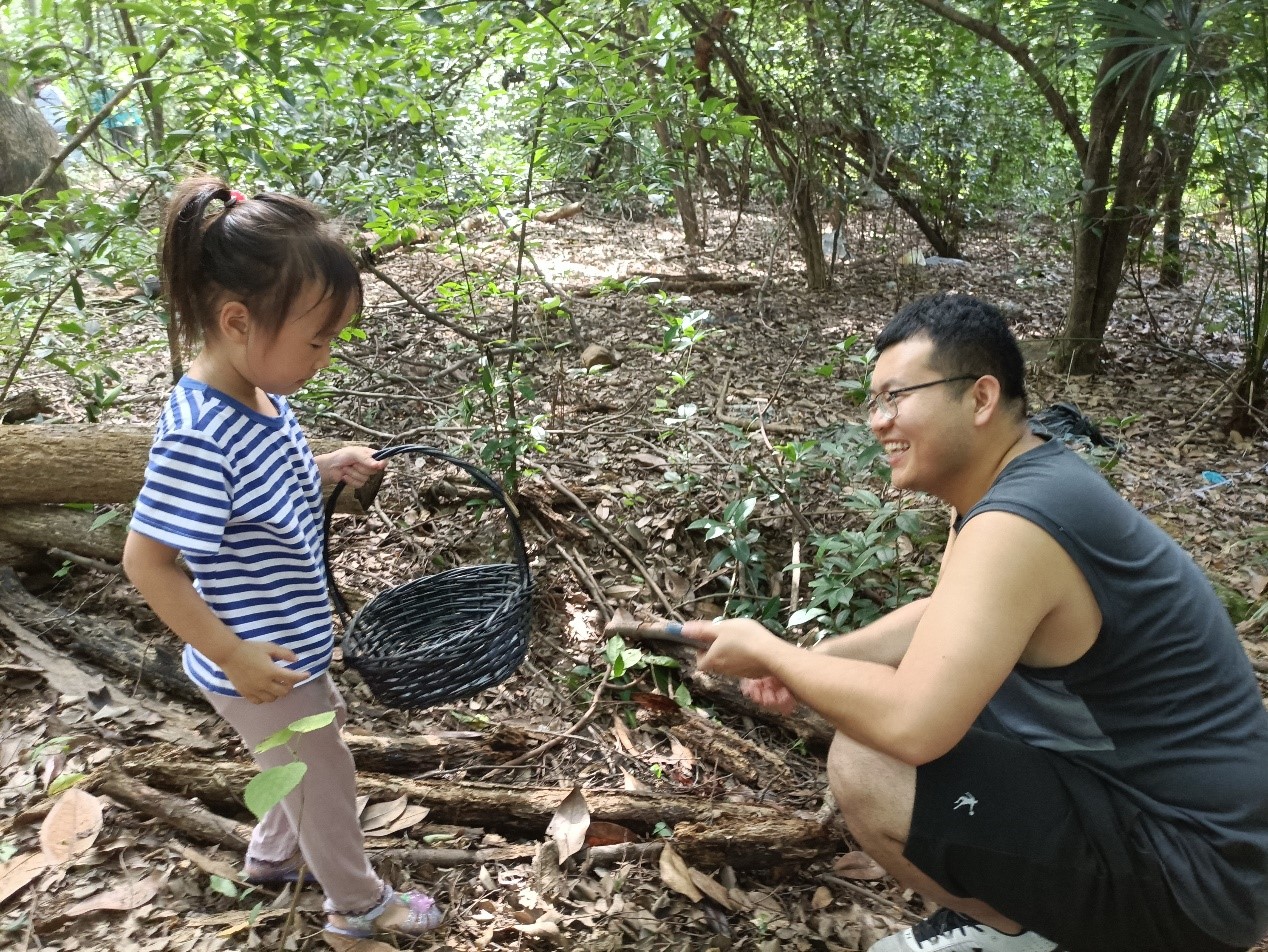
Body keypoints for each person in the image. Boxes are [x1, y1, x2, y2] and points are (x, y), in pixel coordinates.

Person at [684, 293, 1268, 952]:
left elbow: (911, 725)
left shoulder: (1017, 523)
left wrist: (775, 653)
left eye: (896, 396)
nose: (878, 421)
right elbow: (942, 618)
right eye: (873, 402)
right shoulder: (1022, 484)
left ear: (981, 398)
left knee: (870, 759)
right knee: (935, 696)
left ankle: (1022, 935)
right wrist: (814, 659)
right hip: (1174, 829)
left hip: (1194, 876)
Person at [121, 176, 444, 941]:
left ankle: (274, 856)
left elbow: (261, 483)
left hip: (287, 641)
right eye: (317, 339)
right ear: (238, 321)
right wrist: (231, 654)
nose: (324, 357)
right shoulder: (200, 434)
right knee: (326, 778)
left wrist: (325, 465)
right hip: (257, 658)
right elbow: (147, 562)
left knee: (310, 751)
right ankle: (359, 907)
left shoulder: (260, 395)